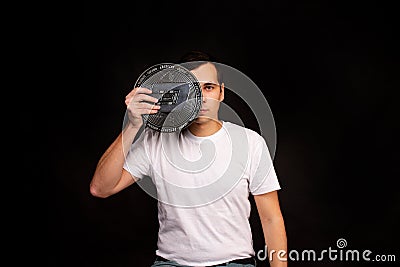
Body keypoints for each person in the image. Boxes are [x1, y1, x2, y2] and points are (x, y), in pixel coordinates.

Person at [90, 50, 288, 267]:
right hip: (171, 263)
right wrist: (133, 125)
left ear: (221, 92)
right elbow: (101, 188)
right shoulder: (155, 139)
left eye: (209, 87)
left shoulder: (250, 142)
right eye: (191, 89)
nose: (201, 97)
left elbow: (271, 219)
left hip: (234, 263)